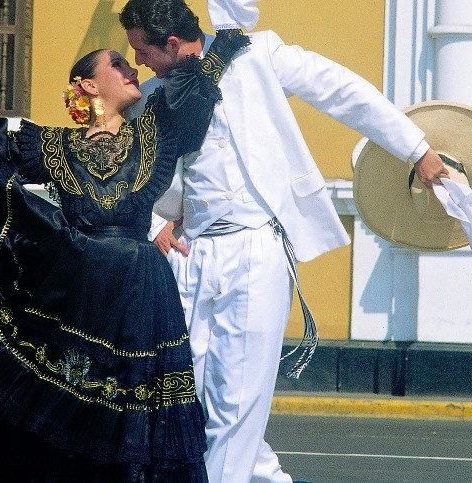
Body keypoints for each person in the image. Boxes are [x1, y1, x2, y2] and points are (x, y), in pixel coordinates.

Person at [0, 30, 248, 482]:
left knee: (147, 416)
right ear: (87, 84)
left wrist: (219, 48)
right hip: (79, 289)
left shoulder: (155, 131)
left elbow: (195, 103)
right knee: (76, 411)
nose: (134, 70)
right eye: (120, 64)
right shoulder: (50, 145)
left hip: (144, 291)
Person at [119, 1, 450, 482]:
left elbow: (342, 91)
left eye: (142, 49)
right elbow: (117, 172)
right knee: (187, 399)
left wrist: (416, 148)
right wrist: (153, 224)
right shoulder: (150, 97)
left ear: (171, 43)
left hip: (255, 247)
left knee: (235, 407)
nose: (139, 61)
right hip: (191, 255)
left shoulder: (257, 55)